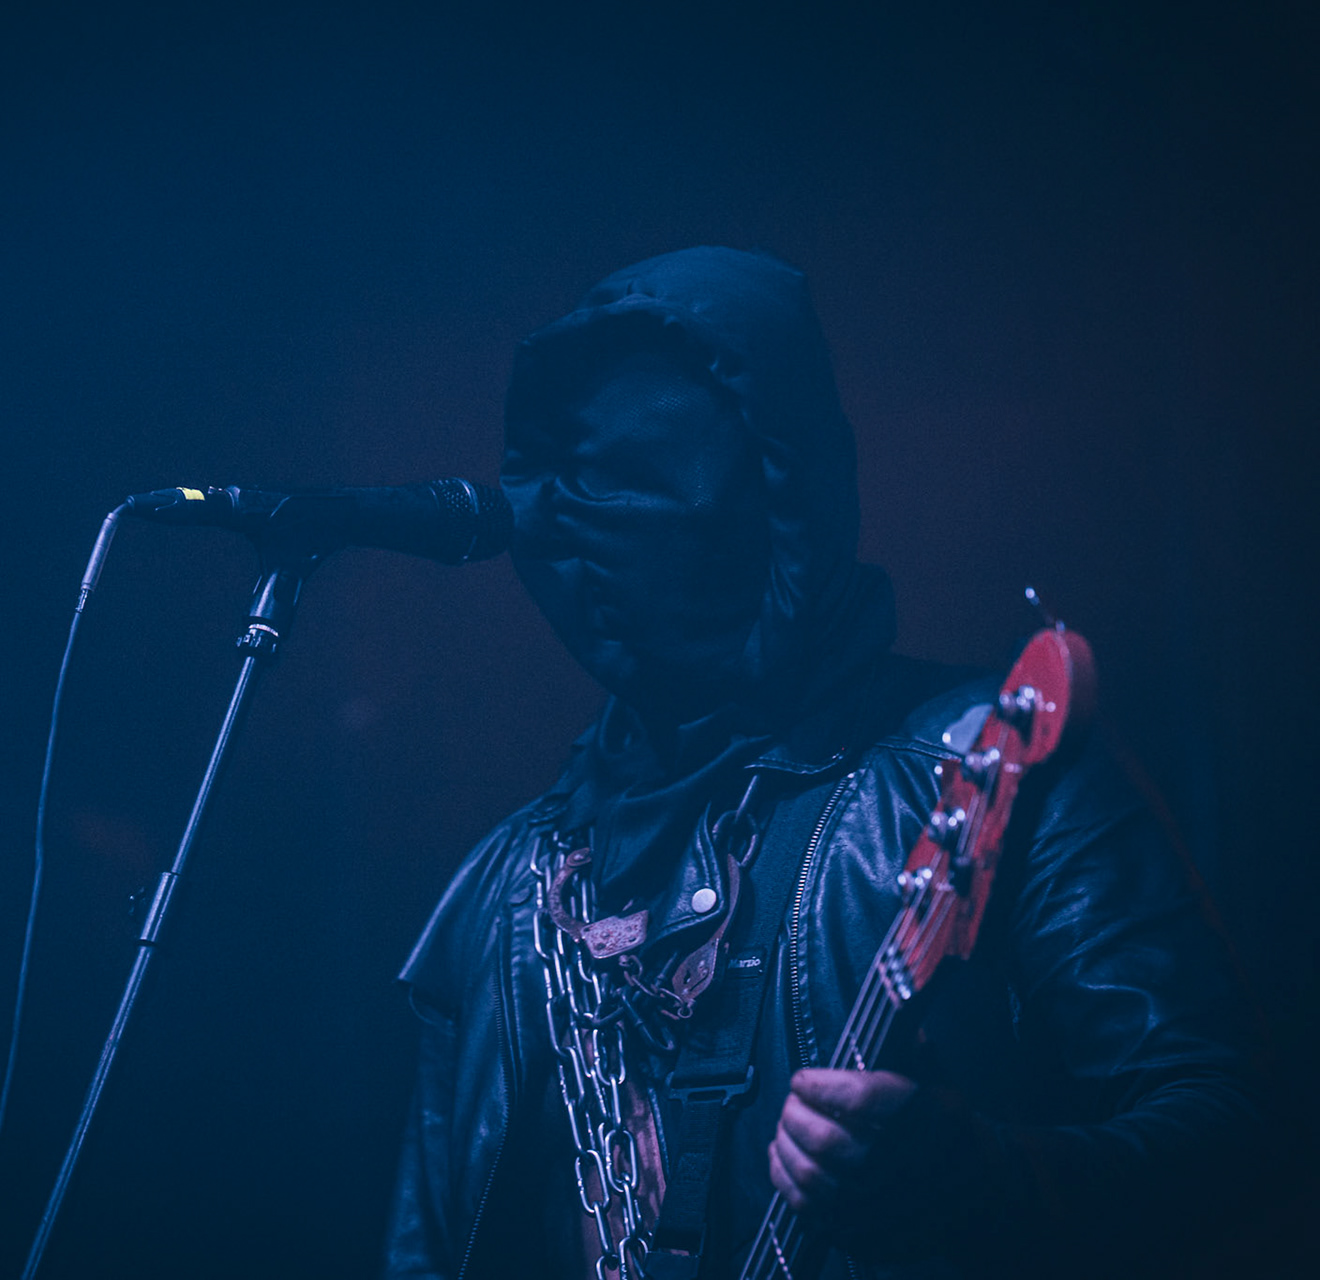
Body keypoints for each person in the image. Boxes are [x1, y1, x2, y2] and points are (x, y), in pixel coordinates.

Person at [382, 248, 1261, 1280]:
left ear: (778, 488)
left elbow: (1235, 1132)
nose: (596, 533)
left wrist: (994, 1184)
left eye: (650, 481)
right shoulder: (505, 890)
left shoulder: (985, 760)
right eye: (576, 490)